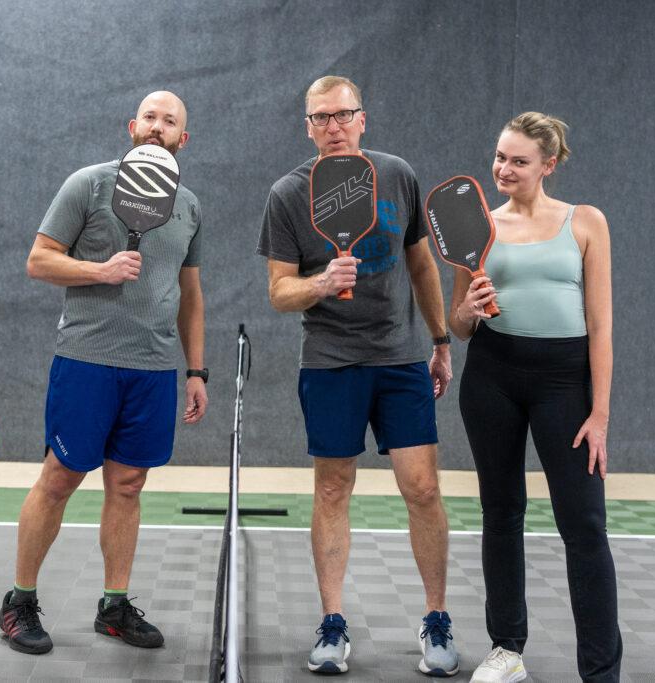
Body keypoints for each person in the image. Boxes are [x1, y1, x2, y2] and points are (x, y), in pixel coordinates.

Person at [257, 76, 460, 677]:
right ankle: (332, 624)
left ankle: (437, 620)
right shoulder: (288, 194)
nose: (333, 126)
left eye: (343, 114)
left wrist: (441, 339)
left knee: (422, 489)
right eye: (320, 118)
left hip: (399, 359)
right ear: (308, 127)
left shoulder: (396, 174)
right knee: (331, 489)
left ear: (362, 119)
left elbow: (420, 262)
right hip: (330, 361)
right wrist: (319, 283)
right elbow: (278, 292)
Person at [0, 90, 207, 655]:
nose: (158, 127)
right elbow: (39, 260)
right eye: (151, 117)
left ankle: (114, 605)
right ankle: (18, 601)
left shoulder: (187, 205)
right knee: (60, 478)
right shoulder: (87, 184)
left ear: (182, 139)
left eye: (171, 122)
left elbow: (190, 291)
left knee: (129, 485)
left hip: (154, 369)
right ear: (131, 126)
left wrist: (197, 369)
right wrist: (100, 269)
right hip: (88, 360)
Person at [450, 112, 621, 683]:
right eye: (499, 157)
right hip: (492, 376)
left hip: (564, 383)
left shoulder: (586, 223)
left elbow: (601, 326)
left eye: (519, 161)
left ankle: (600, 670)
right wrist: (466, 314)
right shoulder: (477, 227)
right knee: (501, 514)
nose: (504, 169)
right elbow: (458, 324)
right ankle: (507, 650)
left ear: (549, 164)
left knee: (584, 524)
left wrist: (598, 414)